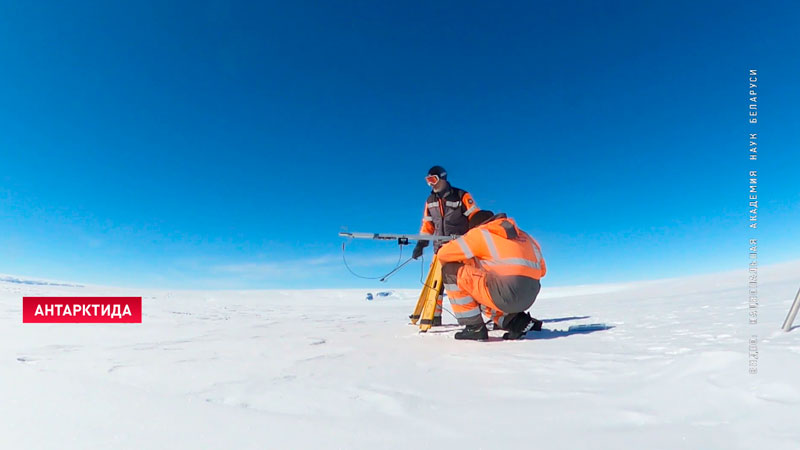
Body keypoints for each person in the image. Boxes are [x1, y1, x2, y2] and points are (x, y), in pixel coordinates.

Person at [436, 210, 546, 340]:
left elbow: (443, 254)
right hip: (530, 295)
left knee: (450, 271)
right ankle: (516, 321)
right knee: (485, 289)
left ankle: (474, 327)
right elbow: (542, 271)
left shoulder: (480, 233)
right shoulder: (526, 237)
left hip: (505, 294)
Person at [412, 166, 481, 325]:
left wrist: (475, 241)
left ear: (442, 178)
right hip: (440, 250)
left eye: (433, 180)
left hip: (461, 249)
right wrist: (421, 245)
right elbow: (427, 226)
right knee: (436, 285)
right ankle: (434, 317)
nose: (431, 184)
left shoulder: (461, 195)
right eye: (428, 181)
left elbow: (475, 218)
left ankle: (480, 318)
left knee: (469, 281)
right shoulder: (430, 201)